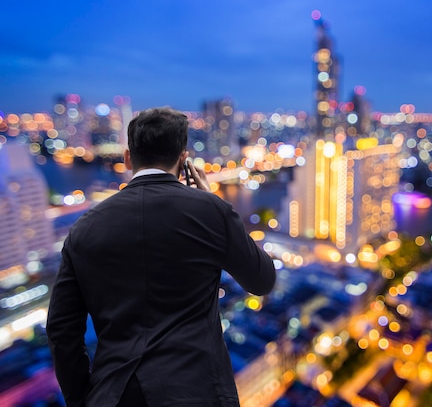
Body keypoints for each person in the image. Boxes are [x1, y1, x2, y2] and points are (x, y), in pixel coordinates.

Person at [46, 107, 276, 407]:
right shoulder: (210, 212)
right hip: (198, 392)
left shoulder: (84, 229)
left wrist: (83, 400)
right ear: (183, 160)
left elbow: (61, 329)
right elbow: (262, 280)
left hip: (114, 396)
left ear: (128, 158)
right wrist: (212, 204)